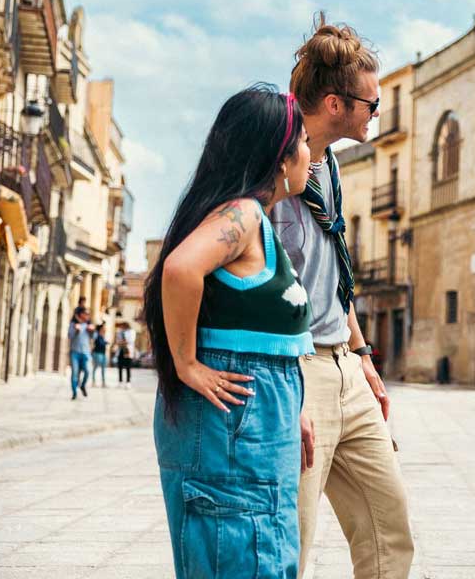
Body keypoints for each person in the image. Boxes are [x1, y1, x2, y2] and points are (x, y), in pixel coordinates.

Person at [145, 85, 314, 579]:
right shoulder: (241, 214)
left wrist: (292, 409)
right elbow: (179, 270)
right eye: (302, 142)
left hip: (257, 427)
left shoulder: (255, 221)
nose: (310, 154)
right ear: (280, 157)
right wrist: (186, 364)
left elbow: (263, 334)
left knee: (259, 553)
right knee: (242, 555)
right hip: (235, 431)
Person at [270, 16, 413, 579]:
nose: (376, 115)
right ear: (335, 103)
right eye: (371, 105)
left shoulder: (328, 165)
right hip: (296, 364)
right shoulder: (275, 165)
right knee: (296, 536)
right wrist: (290, 386)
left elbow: (332, 274)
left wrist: (364, 358)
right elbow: (263, 282)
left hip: (344, 366)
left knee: (389, 526)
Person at [67, 305, 93, 399]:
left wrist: (92, 331)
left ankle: (82, 385)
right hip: (75, 352)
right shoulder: (73, 324)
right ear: (80, 314)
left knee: (87, 371)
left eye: (88, 314)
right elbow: (70, 336)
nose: (87, 315)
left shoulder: (88, 325)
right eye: (85, 313)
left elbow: (94, 338)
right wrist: (76, 330)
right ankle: (74, 393)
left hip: (85, 353)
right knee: (74, 373)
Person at [115, 322, 136, 388]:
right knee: (120, 367)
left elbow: (130, 340)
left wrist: (122, 342)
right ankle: (120, 381)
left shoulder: (132, 332)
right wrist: (121, 342)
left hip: (128, 351)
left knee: (128, 367)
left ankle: (128, 382)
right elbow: (117, 341)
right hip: (121, 351)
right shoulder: (119, 332)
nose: (122, 327)